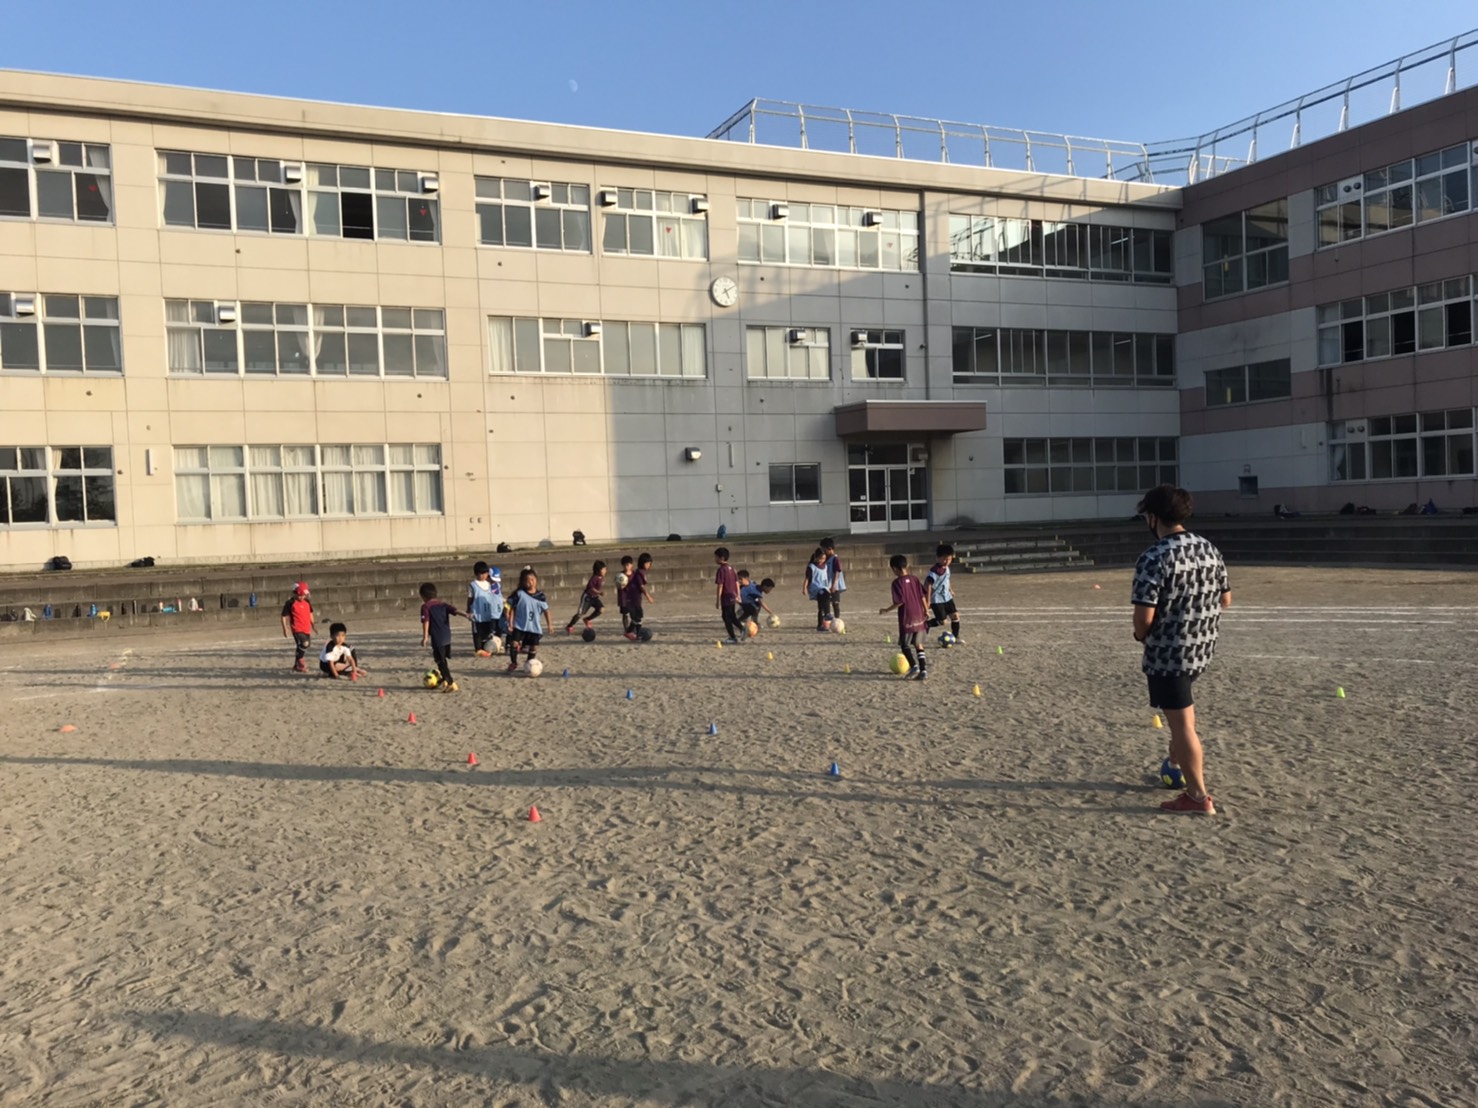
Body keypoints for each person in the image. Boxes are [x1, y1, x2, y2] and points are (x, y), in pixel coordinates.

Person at [1132, 484, 1232, 816]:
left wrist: (1140, 635)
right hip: (1202, 649)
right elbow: (1225, 599)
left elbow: (1144, 617)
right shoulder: (1209, 548)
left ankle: (1198, 796)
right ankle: (1176, 760)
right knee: (1183, 714)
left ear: (1154, 517)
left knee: (1182, 724)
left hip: (1168, 654)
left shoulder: (1153, 557)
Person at [880, 554, 931, 680]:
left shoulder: (896, 583)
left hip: (907, 616)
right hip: (919, 615)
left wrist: (886, 610)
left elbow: (900, 602)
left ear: (894, 569)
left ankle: (914, 666)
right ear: (906, 565)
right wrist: (926, 610)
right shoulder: (914, 579)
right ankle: (923, 670)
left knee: (904, 644)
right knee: (919, 644)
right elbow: (922, 596)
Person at [419, 582, 470, 692]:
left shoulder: (426, 607)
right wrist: (466, 615)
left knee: (440, 661)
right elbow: (455, 610)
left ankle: (450, 683)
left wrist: (425, 636)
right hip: (447, 636)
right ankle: (445, 680)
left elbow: (426, 621)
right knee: (442, 660)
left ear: (423, 596)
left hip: (438, 638)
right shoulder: (442, 604)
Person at [508, 568, 552, 672]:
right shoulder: (519, 594)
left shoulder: (540, 596)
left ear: (536, 580)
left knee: (533, 647)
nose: (530, 582)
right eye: (527, 580)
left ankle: (528, 663)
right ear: (523, 582)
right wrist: (510, 623)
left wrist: (550, 625)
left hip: (534, 626)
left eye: (532, 579)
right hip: (520, 625)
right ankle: (514, 662)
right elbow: (512, 608)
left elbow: (546, 611)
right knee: (514, 643)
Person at [925, 543, 962, 642]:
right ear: (938, 558)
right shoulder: (934, 571)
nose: (947, 562)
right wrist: (928, 600)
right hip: (937, 599)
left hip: (947, 597)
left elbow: (947, 579)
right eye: (944, 559)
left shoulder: (947, 568)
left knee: (955, 616)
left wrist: (950, 590)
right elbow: (928, 585)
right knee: (942, 621)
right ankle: (927, 624)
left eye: (949, 559)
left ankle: (955, 637)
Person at [467, 561, 502, 656]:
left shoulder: (489, 584)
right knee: (477, 632)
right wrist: (468, 609)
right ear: (476, 574)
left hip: (487, 613)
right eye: (480, 573)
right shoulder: (473, 585)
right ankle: (478, 649)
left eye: (484, 573)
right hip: (477, 613)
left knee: (487, 632)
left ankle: (484, 648)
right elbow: (470, 598)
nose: (482, 576)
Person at [280, 581, 315, 673]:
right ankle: (300, 661)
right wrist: (285, 628)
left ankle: (296, 665)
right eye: (300, 595)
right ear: (294, 593)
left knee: (304, 646)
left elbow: (310, 613)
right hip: (297, 629)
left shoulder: (307, 602)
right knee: (304, 643)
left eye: (304, 595)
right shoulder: (290, 603)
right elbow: (283, 616)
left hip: (306, 628)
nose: (302, 597)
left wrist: (313, 624)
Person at [564, 560, 607, 634]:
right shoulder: (594, 578)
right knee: (580, 613)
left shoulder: (601, 577)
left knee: (601, 609)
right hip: (587, 597)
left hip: (594, 597)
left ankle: (587, 619)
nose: (605, 570)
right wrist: (599, 592)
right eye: (604, 569)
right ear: (599, 570)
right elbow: (591, 588)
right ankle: (569, 626)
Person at [623, 552, 655, 640]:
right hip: (633, 598)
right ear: (642, 563)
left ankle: (637, 633)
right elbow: (641, 586)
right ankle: (631, 631)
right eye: (647, 563)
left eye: (649, 563)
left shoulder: (640, 572)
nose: (648, 565)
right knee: (638, 616)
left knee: (638, 616)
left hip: (635, 598)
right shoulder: (639, 572)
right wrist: (648, 596)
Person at [714, 547, 742, 643]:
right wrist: (738, 595)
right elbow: (737, 583)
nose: (715, 559)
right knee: (731, 615)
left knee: (726, 617)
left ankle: (734, 636)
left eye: (716, 557)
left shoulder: (721, 570)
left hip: (726, 597)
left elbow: (720, 585)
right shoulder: (732, 568)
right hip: (733, 596)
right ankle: (741, 630)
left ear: (721, 558)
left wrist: (718, 600)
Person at [803, 546, 834, 631]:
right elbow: (807, 578)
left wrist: (828, 586)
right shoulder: (811, 567)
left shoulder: (825, 566)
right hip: (816, 588)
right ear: (816, 557)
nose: (822, 560)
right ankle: (827, 613)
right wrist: (804, 588)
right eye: (821, 558)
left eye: (824, 559)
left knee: (822, 607)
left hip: (824, 588)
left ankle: (820, 625)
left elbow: (825, 578)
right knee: (825, 594)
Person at [820, 537, 846, 617]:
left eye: (824, 550)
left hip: (834, 586)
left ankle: (837, 618)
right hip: (826, 585)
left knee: (835, 602)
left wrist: (834, 585)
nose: (823, 552)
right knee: (826, 603)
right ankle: (827, 619)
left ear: (829, 549)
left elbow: (837, 572)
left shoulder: (835, 559)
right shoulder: (825, 559)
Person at [615, 554, 635, 636]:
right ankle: (626, 629)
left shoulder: (634, 574)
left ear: (631, 565)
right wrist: (620, 586)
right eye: (624, 565)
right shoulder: (620, 576)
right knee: (625, 614)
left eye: (628, 565)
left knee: (634, 614)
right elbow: (618, 585)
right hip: (624, 598)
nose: (626, 567)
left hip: (633, 597)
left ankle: (633, 629)